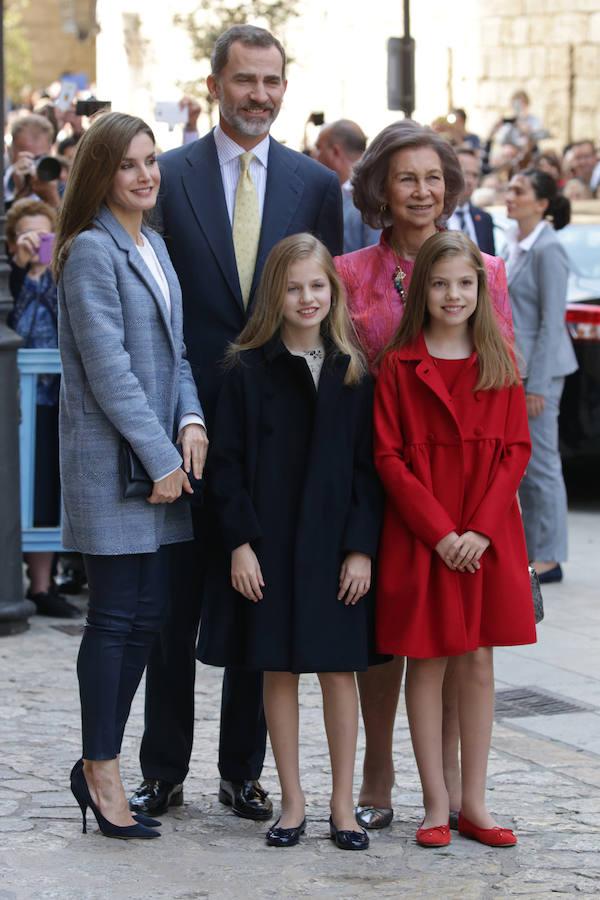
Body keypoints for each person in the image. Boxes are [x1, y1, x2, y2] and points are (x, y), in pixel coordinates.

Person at [129, 24, 343, 822]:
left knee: (260, 600)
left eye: (271, 81)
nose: (259, 94)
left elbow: (324, 309)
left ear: (285, 87)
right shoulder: (170, 176)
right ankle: (163, 770)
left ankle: (242, 771)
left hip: (277, 431)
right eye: (246, 79)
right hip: (182, 423)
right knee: (173, 607)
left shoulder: (314, 184)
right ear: (215, 83)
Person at [334, 119, 514, 831]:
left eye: (433, 177)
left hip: (464, 482)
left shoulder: (485, 270)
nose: (421, 190)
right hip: (379, 466)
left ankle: (452, 793)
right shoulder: (351, 273)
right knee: (388, 638)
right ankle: (379, 772)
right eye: (406, 177)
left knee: (459, 641)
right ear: (380, 187)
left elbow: (500, 377)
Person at [198, 233, 379, 849]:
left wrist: (361, 548)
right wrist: (240, 543)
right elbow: (225, 465)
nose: (307, 298)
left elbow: (368, 471)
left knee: (337, 671)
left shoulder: (354, 373)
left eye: (317, 286)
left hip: (335, 552)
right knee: (276, 668)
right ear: (275, 294)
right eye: (294, 287)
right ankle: (293, 802)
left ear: (333, 291)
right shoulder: (246, 370)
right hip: (268, 548)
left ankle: (343, 806)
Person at [54, 111, 206, 839]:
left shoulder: (154, 245)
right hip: (115, 467)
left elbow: (177, 354)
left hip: (158, 463)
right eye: (128, 164)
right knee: (116, 618)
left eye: (151, 161)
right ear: (101, 173)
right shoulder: (91, 250)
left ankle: (99, 764)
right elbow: (109, 369)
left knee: (148, 618)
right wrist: (163, 457)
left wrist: (192, 420)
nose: (146, 175)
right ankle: (102, 767)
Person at [374, 230, 537, 847]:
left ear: (481, 289)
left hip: (486, 539)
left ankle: (475, 802)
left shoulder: (499, 362)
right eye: (440, 283)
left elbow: (515, 451)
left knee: (478, 660)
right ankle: (435, 804)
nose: (453, 294)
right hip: (425, 538)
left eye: (465, 283)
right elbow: (389, 458)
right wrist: (442, 533)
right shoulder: (398, 365)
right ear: (421, 290)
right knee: (426, 659)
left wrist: (480, 531)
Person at [6, 198, 79, 618]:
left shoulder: (63, 275)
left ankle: (41, 585)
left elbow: (63, 321)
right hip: (14, 400)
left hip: (54, 398)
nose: (35, 242)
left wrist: (46, 270)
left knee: (46, 486)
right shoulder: (10, 278)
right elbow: (11, 320)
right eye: (26, 235)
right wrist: (21, 268)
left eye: (43, 234)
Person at [505, 169, 578, 584]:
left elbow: (553, 321)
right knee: (526, 465)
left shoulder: (548, 249)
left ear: (542, 203)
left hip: (541, 375)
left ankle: (549, 557)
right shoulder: (515, 242)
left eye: (519, 190)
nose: (510, 195)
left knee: (543, 463)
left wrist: (537, 384)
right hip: (517, 370)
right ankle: (535, 550)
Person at [315, 119, 380, 253]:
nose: (315, 156)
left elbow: (378, 257)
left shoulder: (373, 196)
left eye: (319, 148)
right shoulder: (337, 193)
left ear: (335, 151)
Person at [4, 113, 61, 209]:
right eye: (28, 157)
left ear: (50, 150)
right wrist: (19, 192)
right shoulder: (4, 184)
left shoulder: (62, 185)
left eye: (40, 158)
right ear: (11, 151)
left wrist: (53, 200)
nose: (33, 164)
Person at [447, 148, 496, 255]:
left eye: (474, 175)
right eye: (465, 173)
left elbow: (491, 262)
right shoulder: (435, 217)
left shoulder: (485, 219)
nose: (470, 181)